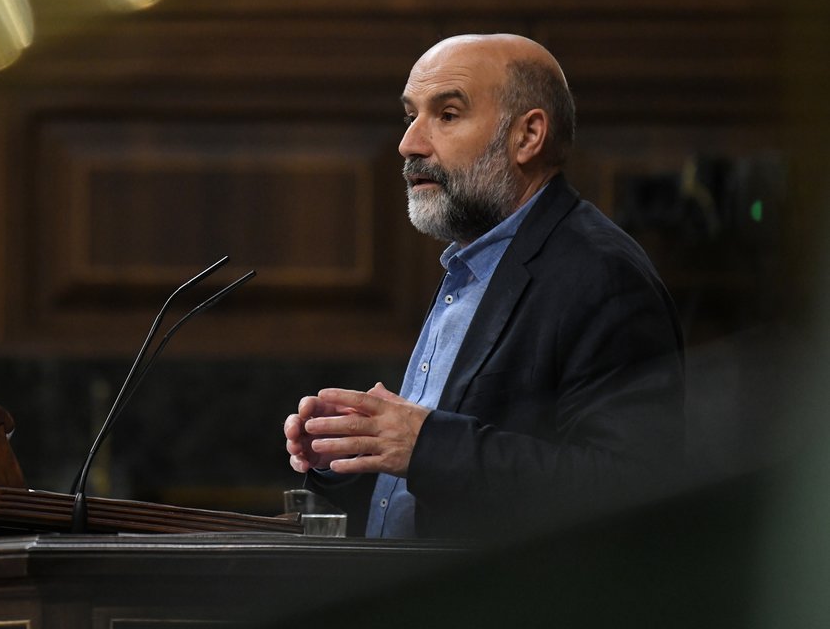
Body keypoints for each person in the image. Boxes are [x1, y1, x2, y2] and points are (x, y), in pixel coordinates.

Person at [283, 33, 685, 540]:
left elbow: (633, 491)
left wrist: (425, 445)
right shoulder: (474, 265)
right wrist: (359, 450)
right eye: (411, 116)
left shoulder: (602, 274)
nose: (409, 143)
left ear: (528, 135)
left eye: (446, 115)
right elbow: (440, 489)